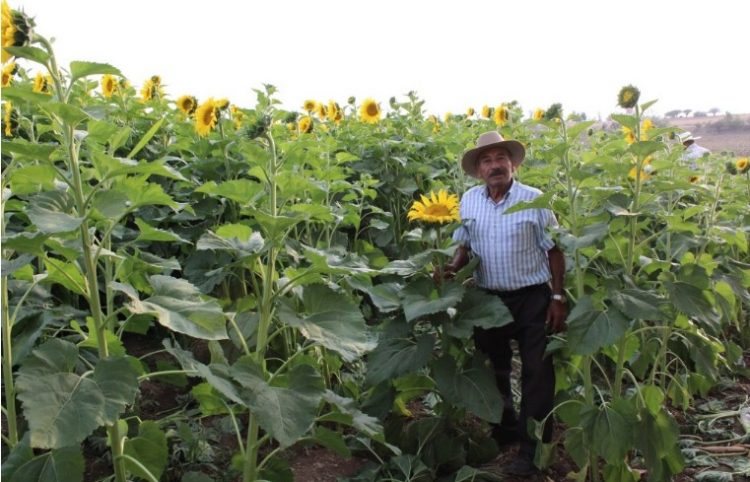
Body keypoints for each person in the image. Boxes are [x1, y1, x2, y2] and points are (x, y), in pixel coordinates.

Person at [439, 131, 567, 476]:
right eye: (486, 160)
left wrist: (557, 296)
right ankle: (505, 429)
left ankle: (531, 450)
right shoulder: (469, 201)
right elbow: (464, 244)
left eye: (500, 159)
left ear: (512, 164)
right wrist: (452, 268)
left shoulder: (534, 199)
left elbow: (554, 249)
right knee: (493, 367)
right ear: (479, 170)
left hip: (532, 297)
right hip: (487, 297)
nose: (494, 166)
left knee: (537, 372)